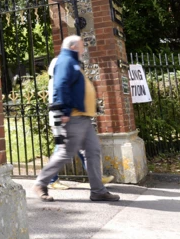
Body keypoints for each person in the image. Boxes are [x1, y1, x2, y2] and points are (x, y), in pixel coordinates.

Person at [33, 35, 120, 202]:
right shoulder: (66, 61)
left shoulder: (73, 62)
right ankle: (41, 183)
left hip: (84, 118)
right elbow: (61, 85)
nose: (83, 49)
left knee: (93, 152)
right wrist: (64, 112)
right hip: (73, 117)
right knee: (65, 153)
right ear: (73, 46)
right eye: (81, 46)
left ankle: (98, 191)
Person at [46, 57, 115, 190]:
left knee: (83, 149)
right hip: (62, 120)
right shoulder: (57, 81)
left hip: (69, 120)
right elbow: (59, 102)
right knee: (62, 149)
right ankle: (50, 180)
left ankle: (97, 177)